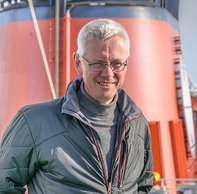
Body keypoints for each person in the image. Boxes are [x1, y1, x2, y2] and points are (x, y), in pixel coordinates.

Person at [0, 19, 154, 194]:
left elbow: (143, 186)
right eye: (98, 64)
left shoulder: (137, 123)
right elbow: (4, 186)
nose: (108, 73)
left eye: (117, 64)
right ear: (78, 62)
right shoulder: (33, 122)